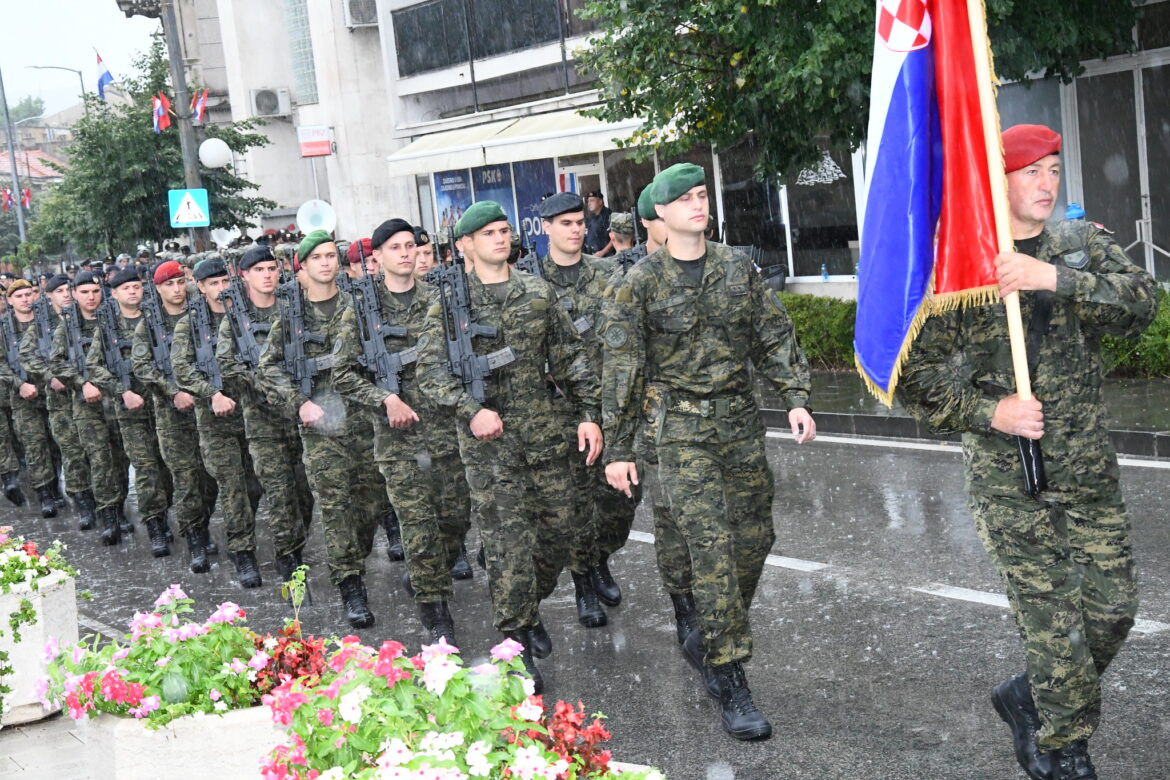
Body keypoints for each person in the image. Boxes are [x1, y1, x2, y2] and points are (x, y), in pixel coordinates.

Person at [897, 124, 1160, 780]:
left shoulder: (1081, 244)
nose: (1046, 185)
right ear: (998, 181)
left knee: (1112, 609)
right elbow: (913, 376)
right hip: (1010, 477)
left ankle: (1029, 695)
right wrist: (993, 411)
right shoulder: (961, 266)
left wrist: (1053, 278)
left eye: (1052, 170)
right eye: (1029, 173)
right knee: (1055, 620)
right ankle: (1064, 746)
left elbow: (1142, 305)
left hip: (1087, 468)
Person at [601, 163, 815, 741]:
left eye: (702, 195)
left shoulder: (735, 268)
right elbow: (621, 369)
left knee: (755, 537)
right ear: (660, 215)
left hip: (739, 423)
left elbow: (772, 335)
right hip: (679, 430)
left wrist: (794, 397)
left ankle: (705, 628)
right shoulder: (639, 282)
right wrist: (618, 448)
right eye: (685, 199)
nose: (698, 204)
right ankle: (728, 674)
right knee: (711, 545)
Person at [416, 201, 602, 692]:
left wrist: (588, 414)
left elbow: (569, 359)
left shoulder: (536, 293)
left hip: (543, 438)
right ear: (465, 245)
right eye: (489, 233)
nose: (501, 239)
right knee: (508, 547)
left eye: (504, 231)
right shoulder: (449, 305)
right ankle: (515, 641)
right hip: (489, 449)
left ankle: (526, 601)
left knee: (562, 533)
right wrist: (470, 409)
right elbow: (429, 373)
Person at [333, 218, 473, 644]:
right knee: (418, 525)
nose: (406, 253)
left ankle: (427, 575)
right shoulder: (360, 310)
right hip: (397, 442)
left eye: (411, 245)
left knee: (455, 520)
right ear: (377, 257)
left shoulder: (440, 298)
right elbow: (342, 372)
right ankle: (436, 613)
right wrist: (385, 399)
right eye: (396, 247)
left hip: (447, 432)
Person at [258, 230, 391, 628]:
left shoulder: (362, 304)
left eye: (331, 255)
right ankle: (351, 585)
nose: (326, 262)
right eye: (316, 257)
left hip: (365, 421)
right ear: (302, 266)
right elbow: (267, 368)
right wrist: (299, 404)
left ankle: (355, 559)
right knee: (335, 507)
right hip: (320, 428)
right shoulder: (291, 316)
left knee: (369, 505)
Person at [533, 192, 627, 628]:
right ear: (547, 228)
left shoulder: (608, 274)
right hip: (560, 410)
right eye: (565, 223)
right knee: (574, 505)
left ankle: (601, 556)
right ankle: (584, 582)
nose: (575, 229)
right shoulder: (531, 284)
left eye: (579, 222)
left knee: (619, 500)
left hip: (610, 404)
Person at [214, 246, 314, 584]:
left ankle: (294, 545)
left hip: (300, 416)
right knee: (279, 490)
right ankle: (289, 557)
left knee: (305, 491)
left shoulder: (293, 310)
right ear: (244, 276)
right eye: (259, 270)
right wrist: (262, 385)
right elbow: (226, 364)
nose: (268, 275)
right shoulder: (234, 319)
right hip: (261, 421)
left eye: (272, 268)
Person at [170, 256, 262, 578]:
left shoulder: (246, 315)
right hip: (214, 420)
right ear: (201, 287)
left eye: (225, 282)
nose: (221, 289)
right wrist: (212, 394)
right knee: (232, 484)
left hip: (253, 415)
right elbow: (181, 367)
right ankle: (242, 551)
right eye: (213, 284)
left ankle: (242, 537)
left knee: (254, 486)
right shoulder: (190, 325)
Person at [130, 260, 219, 565]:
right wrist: (173, 392)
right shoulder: (149, 324)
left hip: (206, 410)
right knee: (186, 478)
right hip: (172, 415)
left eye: (180, 282)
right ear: (157, 288)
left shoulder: (200, 317)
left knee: (210, 478)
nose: (177, 289)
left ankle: (203, 525)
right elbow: (142, 366)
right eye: (169, 284)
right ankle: (194, 538)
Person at [87, 267, 174, 556]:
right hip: (130, 410)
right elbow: (94, 367)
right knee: (147, 468)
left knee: (169, 468)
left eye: (137, 287)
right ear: (114, 294)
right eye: (126, 289)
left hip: (165, 404)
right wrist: (121, 391)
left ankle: (171, 515)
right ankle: (155, 526)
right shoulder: (108, 329)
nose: (133, 292)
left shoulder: (158, 320)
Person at [20, 274, 96, 529]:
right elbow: (27, 356)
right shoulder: (41, 326)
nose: (65, 294)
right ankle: (84, 504)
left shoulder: (88, 318)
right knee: (72, 453)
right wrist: (49, 376)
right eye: (59, 290)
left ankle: (108, 505)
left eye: (68, 289)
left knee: (98, 454)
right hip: (61, 401)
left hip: (91, 399)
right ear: (48, 295)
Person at [2, 280, 62, 517]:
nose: (26, 299)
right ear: (10, 301)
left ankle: (56, 487)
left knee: (56, 442)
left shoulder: (49, 323)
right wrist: (20, 384)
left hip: (52, 391)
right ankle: (44, 493)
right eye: (19, 296)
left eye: (29, 294)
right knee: (35, 445)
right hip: (22, 394)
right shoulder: (3, 328)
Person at [583, 190, 613, 257]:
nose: (589, 203)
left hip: (606, 258)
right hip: (593, 257)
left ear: (600, 202)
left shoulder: (608, 215)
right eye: (588, 201)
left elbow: (615, 237)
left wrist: (603, 252)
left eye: (592, 200)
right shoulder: (591, 218)